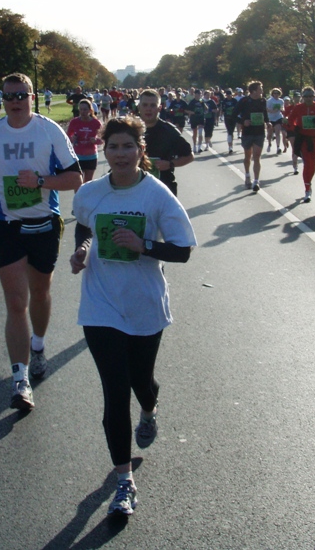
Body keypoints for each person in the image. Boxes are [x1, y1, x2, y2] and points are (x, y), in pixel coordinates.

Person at [70, 116, 196, 517]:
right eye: (113, 147)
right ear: (103, 150)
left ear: (141, 151)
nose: (120, 154)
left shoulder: (157, 196)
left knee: (142, 381)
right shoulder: (89, 194)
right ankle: (124, 481)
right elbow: (84, 231)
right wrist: (81, 252)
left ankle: (150, 409)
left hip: (143, 304)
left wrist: (143, 246)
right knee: (114, 389)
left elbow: (182, 250)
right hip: (100, 304)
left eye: (128, 147)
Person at [0, 73, 83, 410]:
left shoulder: (49, 131)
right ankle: (20, 380)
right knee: (16, 301)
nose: (15, 101)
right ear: (0, 99)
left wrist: (40, 181)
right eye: (9, 96)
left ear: (33, 97)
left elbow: (75, 177)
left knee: (40, 292)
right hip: (6, 226)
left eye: (22, 95)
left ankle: (38, 345)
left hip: (44, 224)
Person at [137, 89, 194, 196]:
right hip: (136, 190)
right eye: (145, 105)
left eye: (153, 105)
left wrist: (170, 164)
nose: (148, 109)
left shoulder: (169, 131)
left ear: (159, 108)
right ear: (139, 107)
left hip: (164, 189)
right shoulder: (129, 129)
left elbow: (189, 156)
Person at [235, 81, 269, 192]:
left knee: (257, 156)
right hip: (247, 132)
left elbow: (265, 114)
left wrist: (268, 123)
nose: (262, 91)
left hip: (259, 132)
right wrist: (243, 121)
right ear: (254, 91)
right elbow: (233, 114)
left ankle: (256, 181)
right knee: (247, 156)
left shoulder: (263, 101)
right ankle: (248, 175)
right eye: (260, 89)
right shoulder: (244, 101)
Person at [67, 99, 104, 189]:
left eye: (85, 109)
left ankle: (86, 201)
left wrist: (96, 140)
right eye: (81, 109)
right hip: (77, 156)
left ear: (90, 110)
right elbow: (67, 136)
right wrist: (72, 138)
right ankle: (78, 201)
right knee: (78, 182)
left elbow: (103, 138)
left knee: (88, 183)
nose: (83, 112)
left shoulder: (96, 123)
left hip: (91, 156)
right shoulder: (74, 122)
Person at [187, 89, 208, 153]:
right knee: (195, 133)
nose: (199, 95)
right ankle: (194, 146)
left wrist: (205, 108)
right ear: (195, 94)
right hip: (194, 119)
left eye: (200, 94)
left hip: (201, 118)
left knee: (200, 133)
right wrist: (191, 112)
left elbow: (206, 108)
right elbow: (187, 110)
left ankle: (199, 147)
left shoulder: (201, 101)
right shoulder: (192, 102)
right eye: (198, 94)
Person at [265, 88, 285, 154]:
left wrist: (281, 109)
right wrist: (273, 111)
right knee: (270, 133)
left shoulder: (281, 101)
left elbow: (282, 108)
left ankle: (278, 147)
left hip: (278, 117)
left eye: (277, 93)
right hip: (270, 118)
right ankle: (269, 144)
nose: (276, 94)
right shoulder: (270, 101)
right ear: (272, 94)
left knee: (277, 132)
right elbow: (267, 109)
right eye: (275, 93)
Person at [220, 88, 239, 154]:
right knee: (229, 131)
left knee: (232, 131)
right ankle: (230, 147)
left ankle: (231, 144)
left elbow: (237, 109)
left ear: (232, 94)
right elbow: (222, 109)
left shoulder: (234, 101)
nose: (228, 96)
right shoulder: (224, 101)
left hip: (233, 118)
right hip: (227, 118)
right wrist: (221, 115)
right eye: (227, 95)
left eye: (230, 94)